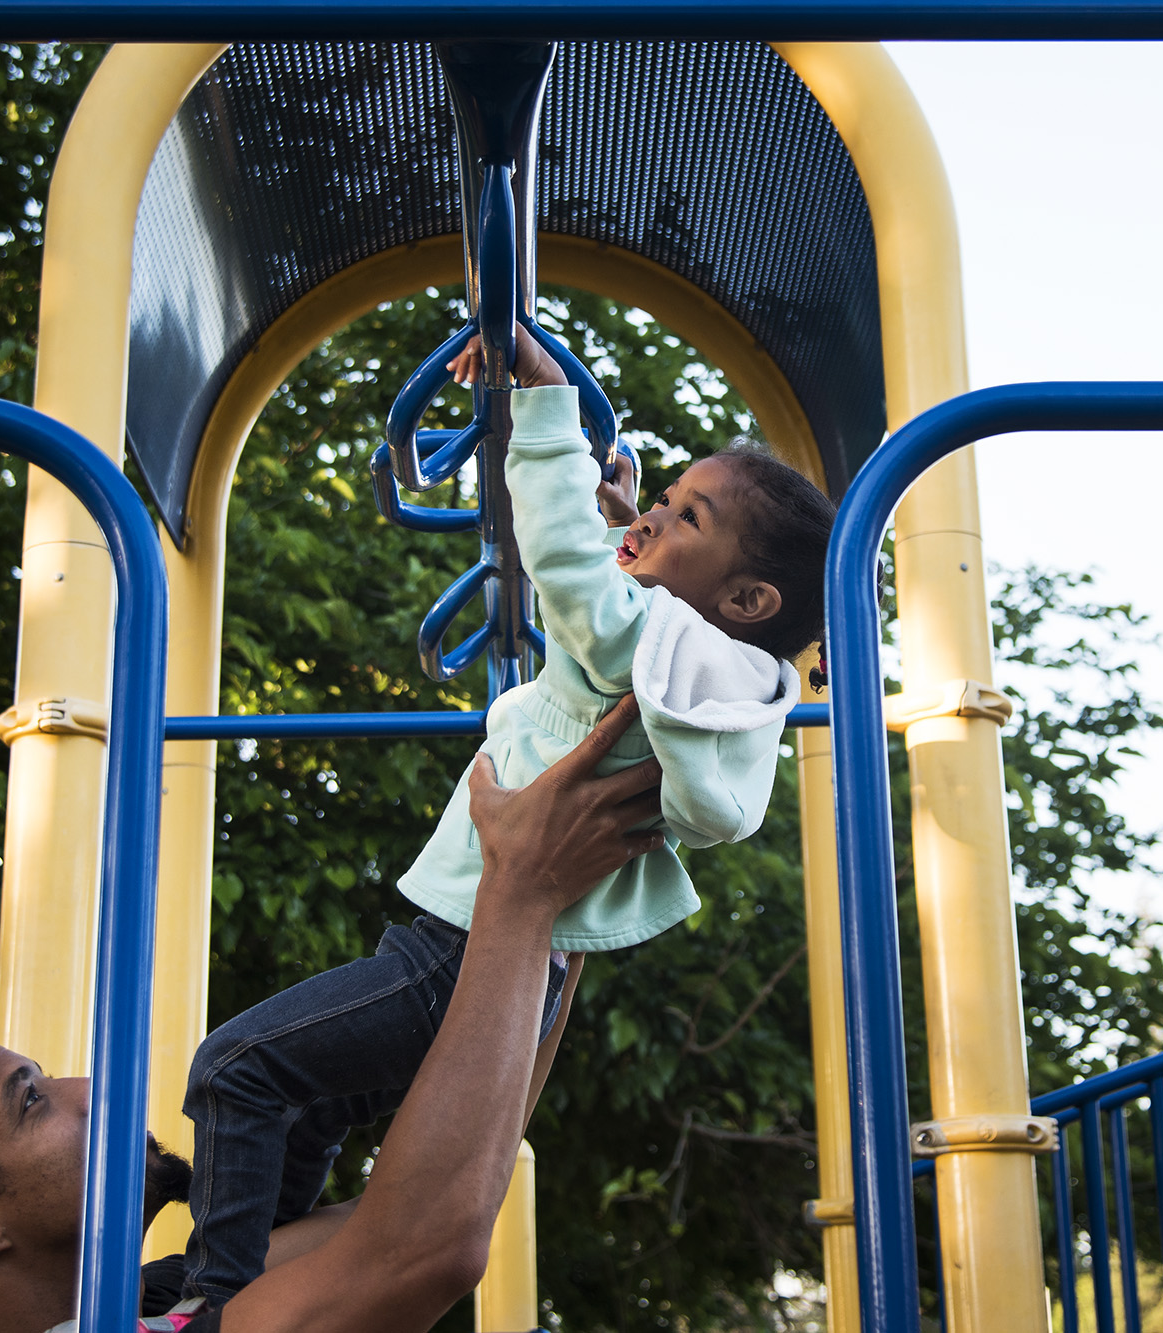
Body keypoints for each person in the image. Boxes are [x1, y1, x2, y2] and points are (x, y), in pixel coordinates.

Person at [179, 326, 837, 1306]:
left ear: (745, 595)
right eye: (655, 499)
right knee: (306, 1103)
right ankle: (254, 1275)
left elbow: (568, 564)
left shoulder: (641, 638)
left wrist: (542, 405)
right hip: (504, 963)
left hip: (450, 954)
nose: (649, 515)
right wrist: (642, 522)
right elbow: (630, 586)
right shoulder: (712, 669)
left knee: (233, 1066)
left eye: (683, 515)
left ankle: (213, 1296)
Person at [0, 696, 667, 1333]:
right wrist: (526, 890)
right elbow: (420, 1247)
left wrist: (555, 912)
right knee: (241, 1067)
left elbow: (452, 1186)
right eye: (29, 1098)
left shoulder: (153, 1301)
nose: (88, 1086)